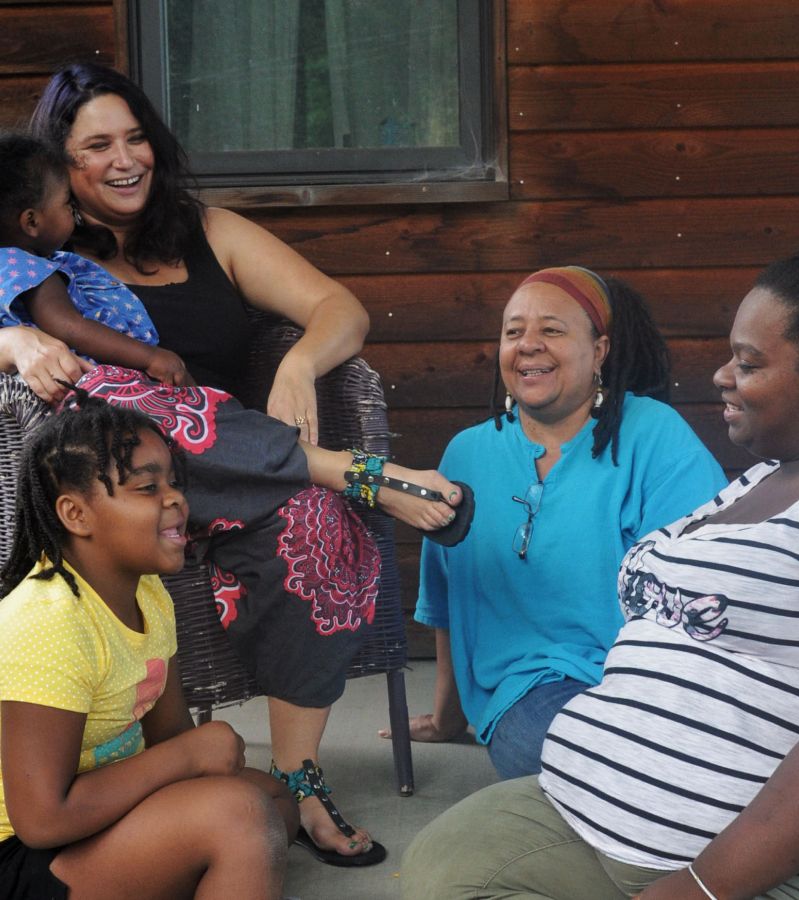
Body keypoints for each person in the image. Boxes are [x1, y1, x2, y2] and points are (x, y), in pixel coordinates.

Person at [23, 61, 467, 866]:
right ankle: (349, 468)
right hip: (121, 497)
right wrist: (14, 340)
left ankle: (299, 781)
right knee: (147, 413)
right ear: (58, 166)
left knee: (316, 524)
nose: (126, 160)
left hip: (243, 481)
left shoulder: (210, 230)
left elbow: (342, 310)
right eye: (97, 147)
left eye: (135, 139)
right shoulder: (30, 254)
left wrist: (298, 364)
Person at [400, 227, 799, 900]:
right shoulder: (758, 482)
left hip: (735, 865)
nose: (721, 376)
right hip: (594, 812)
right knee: (442, 870)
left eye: (747, 363)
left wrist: (699, 888)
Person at [382, 266, 726, 779]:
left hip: (655, 680)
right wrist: (449, 718)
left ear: (600, 351)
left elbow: (708, 589)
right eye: (513, 331)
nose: (528, 345)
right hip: (533, 691)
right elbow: (454, 601)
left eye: (552, 329)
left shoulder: (654, 436)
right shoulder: (467, 454)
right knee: (599, 764)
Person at [0, 393, 299, 899]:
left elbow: (171, 737)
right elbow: (42, 820)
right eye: (146, 487)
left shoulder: (149, 594)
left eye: (174, 483)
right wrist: (189, 759)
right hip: (22, 856)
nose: (175, 499)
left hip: (97, 811)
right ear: (75, 514)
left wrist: (192, 757)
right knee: (240, 818)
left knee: (272, 802)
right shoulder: (44, 623)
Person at [0, 131, 190, 385]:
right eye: (68, 204)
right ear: (31, 221)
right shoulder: (29, 269)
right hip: (95, 387)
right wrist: (150, 357)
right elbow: (69, 326)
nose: (75, 212)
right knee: (204, 409)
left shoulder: (9, 266)